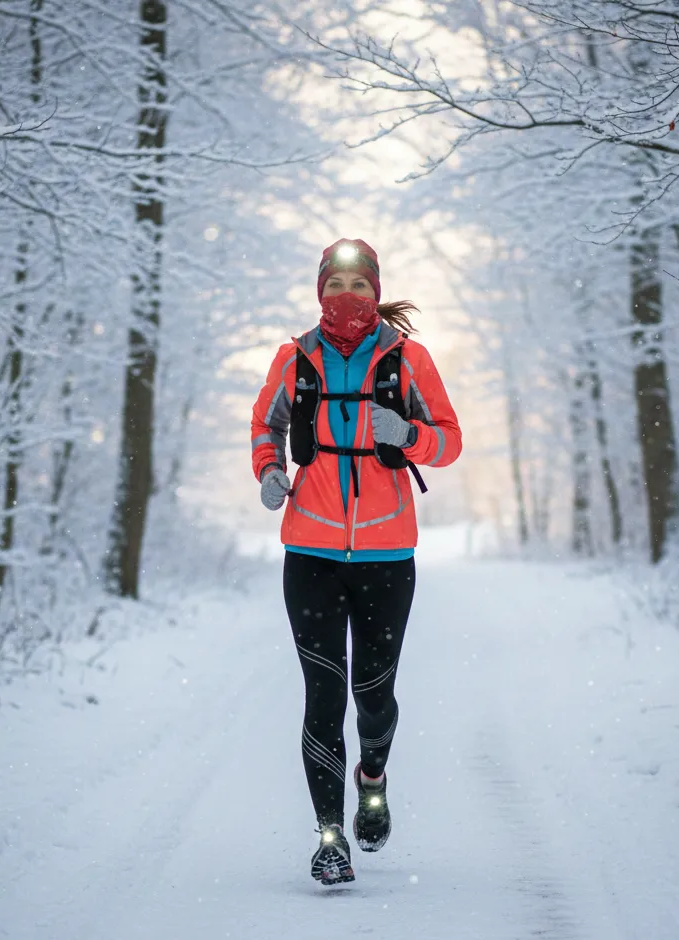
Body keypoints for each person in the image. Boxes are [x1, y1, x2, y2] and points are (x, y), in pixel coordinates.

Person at [250, 238, 462, 886]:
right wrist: (268, 471)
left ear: (376, 292)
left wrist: (410, 436)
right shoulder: (295, 359)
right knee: (323, 695)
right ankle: (330, 836)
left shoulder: (407, 360)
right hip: (309, 553)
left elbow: (450, 440)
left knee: (373, 696)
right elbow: (264, 425)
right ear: (320, 292)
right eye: (336, 286)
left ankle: (373, 777)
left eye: (360, 287)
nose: (348, 298)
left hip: (387, 555)